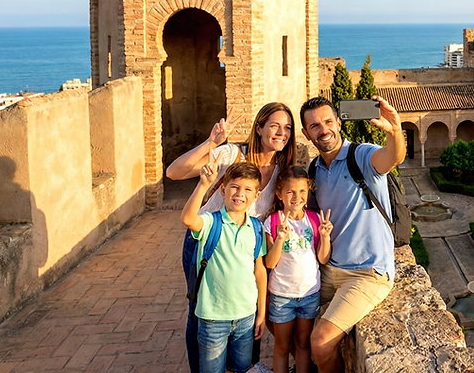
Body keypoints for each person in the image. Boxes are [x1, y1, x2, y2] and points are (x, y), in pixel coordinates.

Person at [167, 102, 295, 373]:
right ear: (259, 127)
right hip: (207, 243)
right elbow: (174, 172)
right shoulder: (231, 154)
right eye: (274, 125)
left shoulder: (283, 167)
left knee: (247, 315)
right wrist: (210, 143)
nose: (281, 133)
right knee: (198, 311)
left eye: (287, 128)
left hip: (245, 246)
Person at [299, 96, 405, 373]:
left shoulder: (361, 156)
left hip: (367, 273)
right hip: (330, 270)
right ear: (305, 133)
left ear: (338, 121)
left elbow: (392, 157)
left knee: (320, 343)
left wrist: (394, 130)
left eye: (328, 121)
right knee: (278, 309)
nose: (323, 130)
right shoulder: (314, 170)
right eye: (314, 126)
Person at [180, 161, 268, 373]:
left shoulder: (256, 228)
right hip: (213, 318)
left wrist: (261, 312)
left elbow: (260, 272)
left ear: (256, 196)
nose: (240, 194)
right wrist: (202, 185)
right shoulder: (211, 222)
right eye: (235, 187)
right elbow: (188, 219)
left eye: (248, 189)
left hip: (246, 317)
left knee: (241, 369)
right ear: (223, 189)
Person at [263, 166, 333, 373]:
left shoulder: (314, 219)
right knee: (282, 346)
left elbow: (323, 257)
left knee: (303, 345)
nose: (297, 197)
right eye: (290, 191)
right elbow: (270, 263)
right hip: (282, 295)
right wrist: (280, 239)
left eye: (302, 191)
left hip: (309, 294)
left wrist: (326, 236)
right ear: (279, 194)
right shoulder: (272, 222)